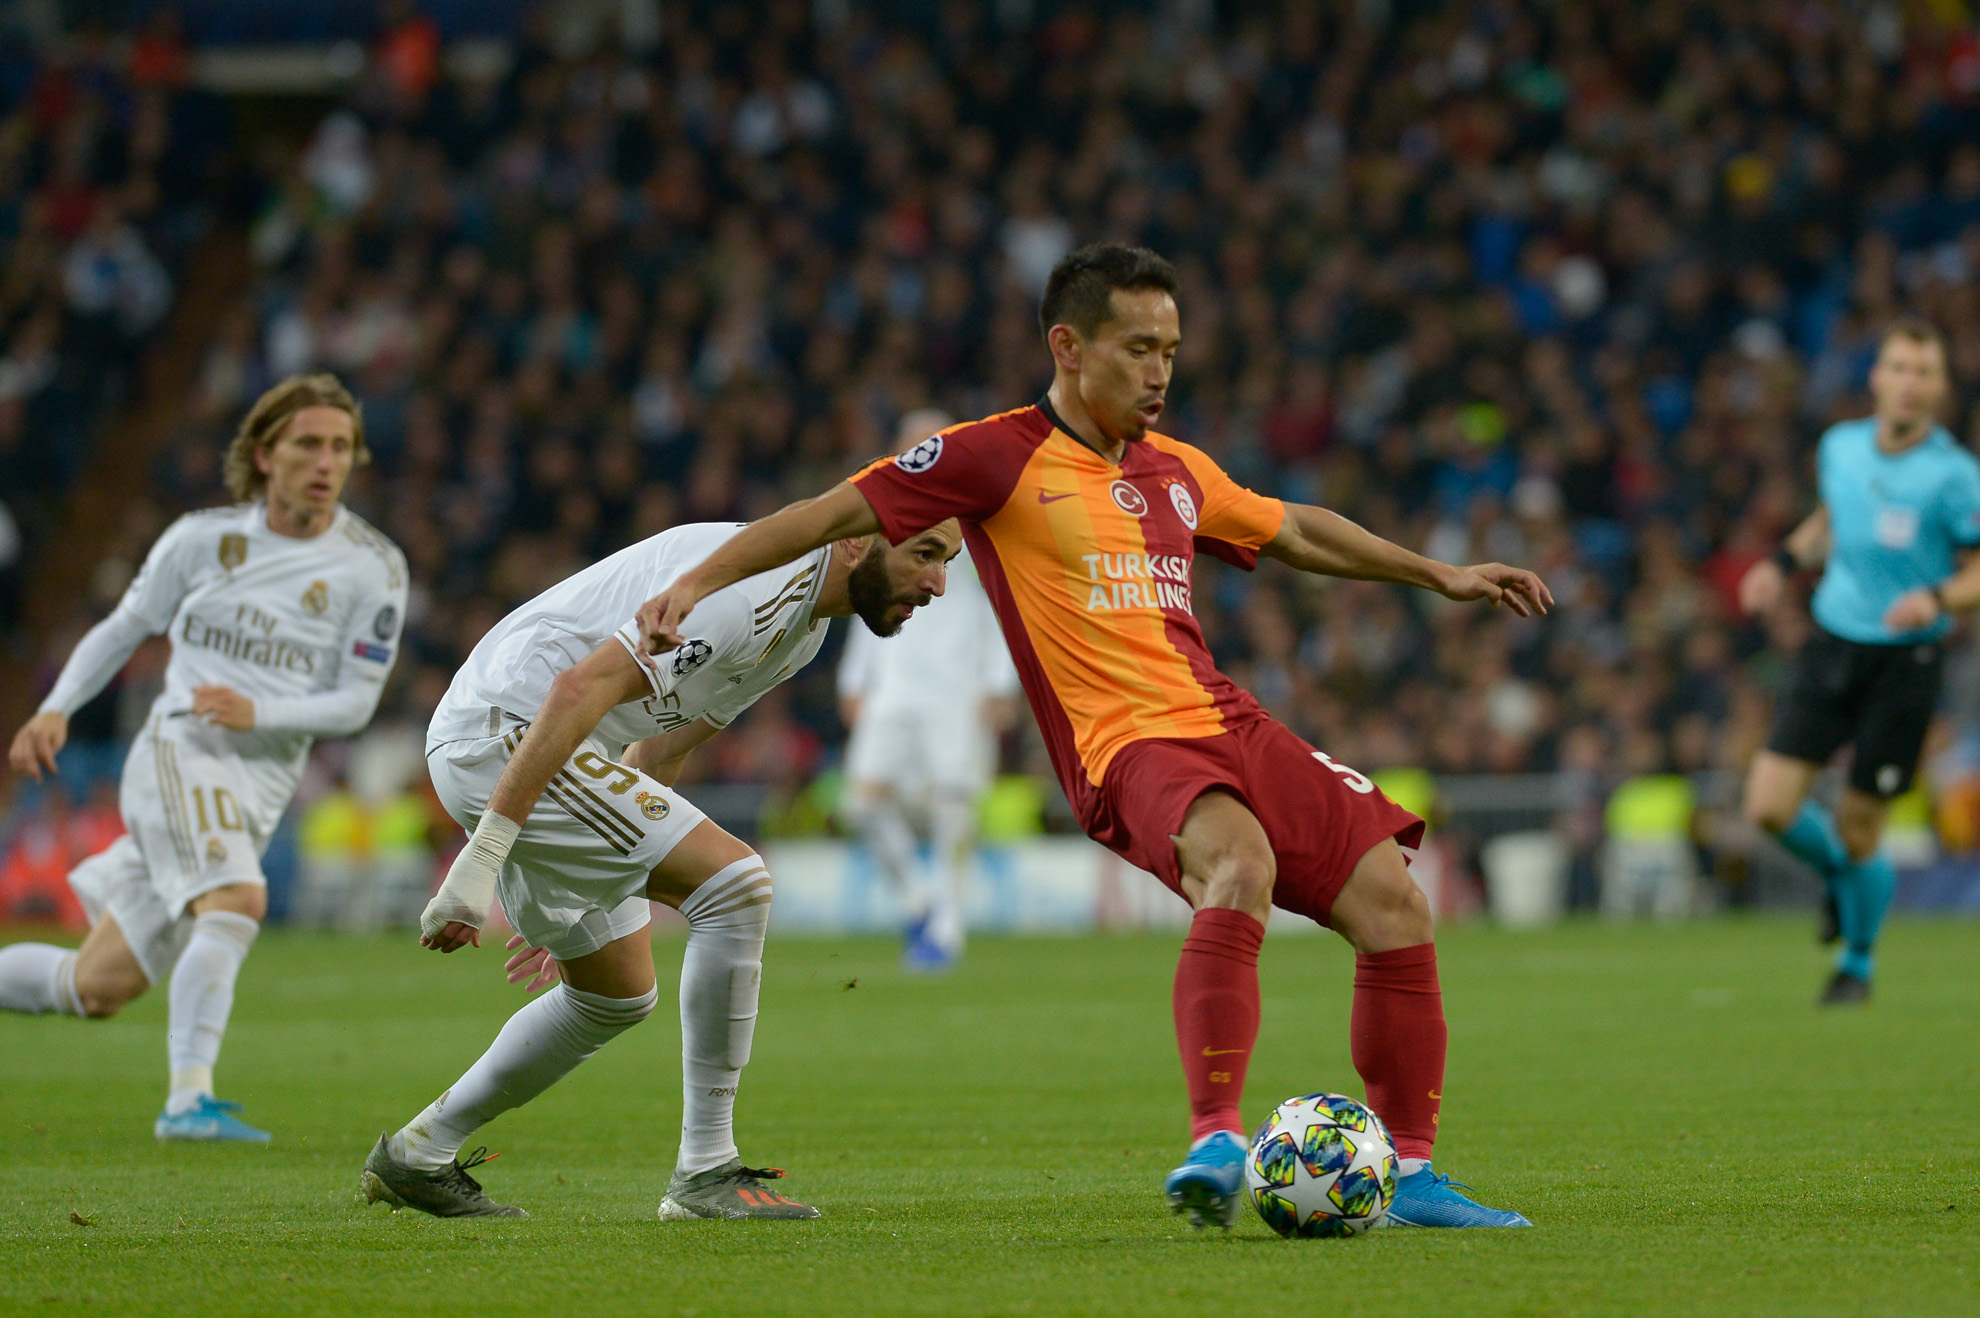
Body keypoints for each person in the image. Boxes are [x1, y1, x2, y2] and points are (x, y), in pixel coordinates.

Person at [631, 244, 1551, 1229]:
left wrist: (1440, 575)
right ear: (1068, 347)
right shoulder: (993, 454)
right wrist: (695, 584)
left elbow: (1296, 530)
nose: (1160, 372)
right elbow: (826, 512)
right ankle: (1215, 1138)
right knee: (1235, 866)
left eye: (1171, 350)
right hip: (1125, 743)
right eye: (1138, 348)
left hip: (1225, 717)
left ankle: (1410, 1174)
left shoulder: (1177, 470)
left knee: (1396, 902)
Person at [358, 514, 960, 1220]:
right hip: (508, 733)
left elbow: (663, 743)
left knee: (615, 994)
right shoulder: (748, 590)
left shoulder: (804, 631)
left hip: (548, 749)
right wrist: (482, 861)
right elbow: (575, 692)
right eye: (925, 554)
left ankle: (417, 1154)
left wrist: (596, 867)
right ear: (855, 538)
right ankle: (706, 1171)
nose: (939, 583)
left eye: (946, 561)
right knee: (738, 884)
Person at [1, 374, 407, 1142]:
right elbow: (124, 627)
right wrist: (57, 707)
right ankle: (188, 1102)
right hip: (181, 746)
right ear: (264, 454)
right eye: (308, 444)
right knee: (236, 901)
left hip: (260, 780)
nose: (327, 462)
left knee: (96, 984)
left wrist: (264, 713)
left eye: (342, 448)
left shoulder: (372, 567)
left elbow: (355, 702)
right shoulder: (201, 541)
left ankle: (180, 1090)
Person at [1738, 319, 1980, 1005]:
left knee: (1859, 822)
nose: (1909, 383)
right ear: (1876, 376)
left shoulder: (1955, 475)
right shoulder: (1840, 447)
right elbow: (1829, 523)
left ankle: (1858, 966)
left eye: (1923, 372)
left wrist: (1935, 596)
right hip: (1830, 643)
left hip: (1905, 662)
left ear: (1940, 386)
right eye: (1899, 368)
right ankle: (1843, 883)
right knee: (1767, 806)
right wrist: (1780, 564)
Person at [838, 408, 1021, 969]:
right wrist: (855, 677)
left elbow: (999, 602)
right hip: (893, 685)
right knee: (860, 805)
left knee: (950, 808)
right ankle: (920, 901)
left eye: (930, 445)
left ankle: (947, 928)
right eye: (911, 445)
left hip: (956, 692)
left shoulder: (971, 522)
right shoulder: (879, 517)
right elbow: (864, 596)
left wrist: (998, 681)